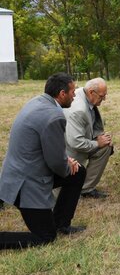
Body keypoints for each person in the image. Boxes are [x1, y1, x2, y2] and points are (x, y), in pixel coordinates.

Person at [0, 73, 86, 250]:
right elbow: (56, 163)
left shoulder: (38, 101)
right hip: (25, 186)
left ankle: (61, 223)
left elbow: (47, 150)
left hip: (19, 173)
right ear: (62, 94)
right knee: (45, 237)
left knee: (78, 172)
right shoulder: (54, 116)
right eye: (72, 91)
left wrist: (66, 161)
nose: (75, 95)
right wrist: (65, 163)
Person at [64, 77, 113, 199]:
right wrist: (97, 143)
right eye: (102, 96)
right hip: (68, 153)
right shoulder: (79, 109)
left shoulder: (84, 94)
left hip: (72, 144)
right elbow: (76, 143)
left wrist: (99, 136)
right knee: (103, 148)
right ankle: (84, 189)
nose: (104, 99)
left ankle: (85, 187)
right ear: (91, 92)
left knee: (106, 146)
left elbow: (90, 123)